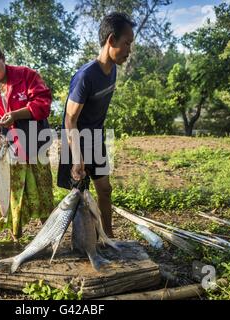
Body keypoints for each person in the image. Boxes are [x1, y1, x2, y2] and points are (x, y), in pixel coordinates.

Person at [57, 12, 135, 238]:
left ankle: (107, 237)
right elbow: (70, 119)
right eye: (126, 43)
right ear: (111, 40)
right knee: (79, 196)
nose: (129, 50)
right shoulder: (86, 76)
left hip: (95, 139)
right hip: (75, 140)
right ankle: (81, 242)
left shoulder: (113, 71)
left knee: (105, 190)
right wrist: (77, 156)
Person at [0, 37, 54, 240]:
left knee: (42, 193)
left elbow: (43, 104)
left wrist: (16, 115)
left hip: (34, 146)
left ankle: (50, 237)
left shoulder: (27, 75)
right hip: (5, 151)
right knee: (11, 195)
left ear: (3, 58)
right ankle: (16, 238)